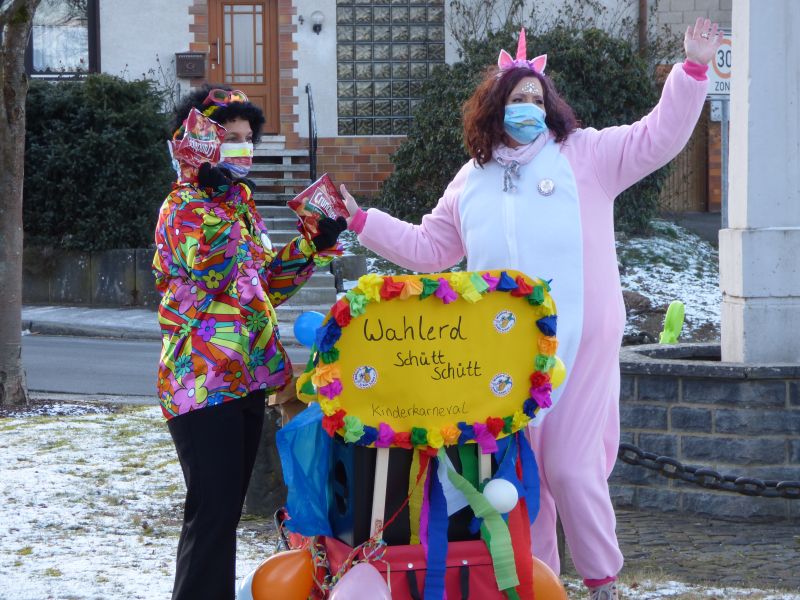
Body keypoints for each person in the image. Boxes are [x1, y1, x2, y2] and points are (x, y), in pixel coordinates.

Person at [340, 19, 721, 600]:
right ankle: (538, 583)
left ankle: (602, 580)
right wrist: (361, 221)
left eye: (536, 98)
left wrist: (691, 72)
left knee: (571, 469)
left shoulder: (585, 154)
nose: (527, 107)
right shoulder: (472, 178)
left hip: (581, 338)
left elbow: (656, 138)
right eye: (516, 98)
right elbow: (430, 248)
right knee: (521, 480)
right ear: (493, 107)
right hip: (505, 354)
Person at [152, 85, 346, 600]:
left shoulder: (239, 205)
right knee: (211, 512)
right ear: (199, 145)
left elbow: (260, 285)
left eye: (247, 138)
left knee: (226, 511)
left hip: (245, 379)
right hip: (200, 383)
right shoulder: (182, 207)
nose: (242, 147)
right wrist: (209, 190)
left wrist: (312, 244)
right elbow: (212, 269)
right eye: (229, 138)